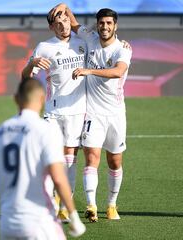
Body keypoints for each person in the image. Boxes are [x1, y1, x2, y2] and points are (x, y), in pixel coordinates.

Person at [0, 77, 86, 239]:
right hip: (40, 223)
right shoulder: (46, 130)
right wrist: (74, 217)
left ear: (15, 99)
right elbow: (59, 178)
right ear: (42, 99)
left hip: (8, 225)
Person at [50, 4, 132, 222]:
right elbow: (73, 22)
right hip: (92, 113)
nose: (104, 27)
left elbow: (118, 71)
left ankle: (112, 205)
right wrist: (63, 6)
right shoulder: (90, 38)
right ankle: (91, 206)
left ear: (115, 26)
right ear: (97, 24)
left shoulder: (122, 49)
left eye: (109, 23)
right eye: (101, 23)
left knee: (115, 161)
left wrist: (89, 70)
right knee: (91, 158)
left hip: (115, 114)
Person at [21, 7, 87, 222]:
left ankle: (65, 205)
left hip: (77, 110)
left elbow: (106, 43)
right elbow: (26, 78)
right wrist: (31, 63)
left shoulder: (83, 42)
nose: (63, 25)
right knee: (52, 158)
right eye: (58, 22)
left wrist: (122, 43)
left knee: (71, 160)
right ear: (51, 27)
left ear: (70, 20)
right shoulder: (45, 47)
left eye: (65, 20)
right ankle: (51, 202)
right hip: (54, 111)